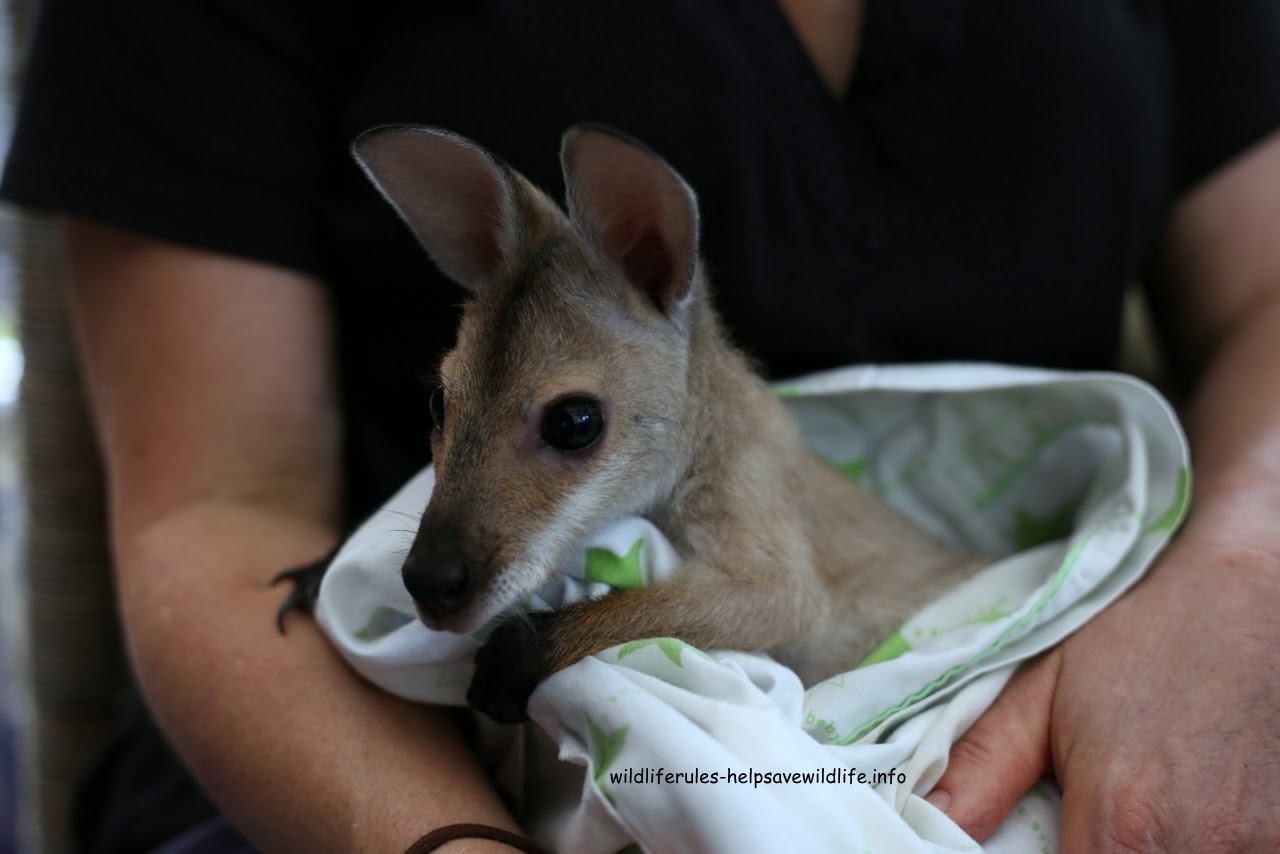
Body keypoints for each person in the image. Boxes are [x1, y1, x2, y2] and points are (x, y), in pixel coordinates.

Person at [3, 0, 1279, 850]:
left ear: (656, 261)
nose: (470, 490)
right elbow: (212, 509)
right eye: (455, 419)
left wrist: (1232, 576)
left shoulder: (707, 417)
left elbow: (767, 594)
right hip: (350, 784)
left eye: (564, 426)